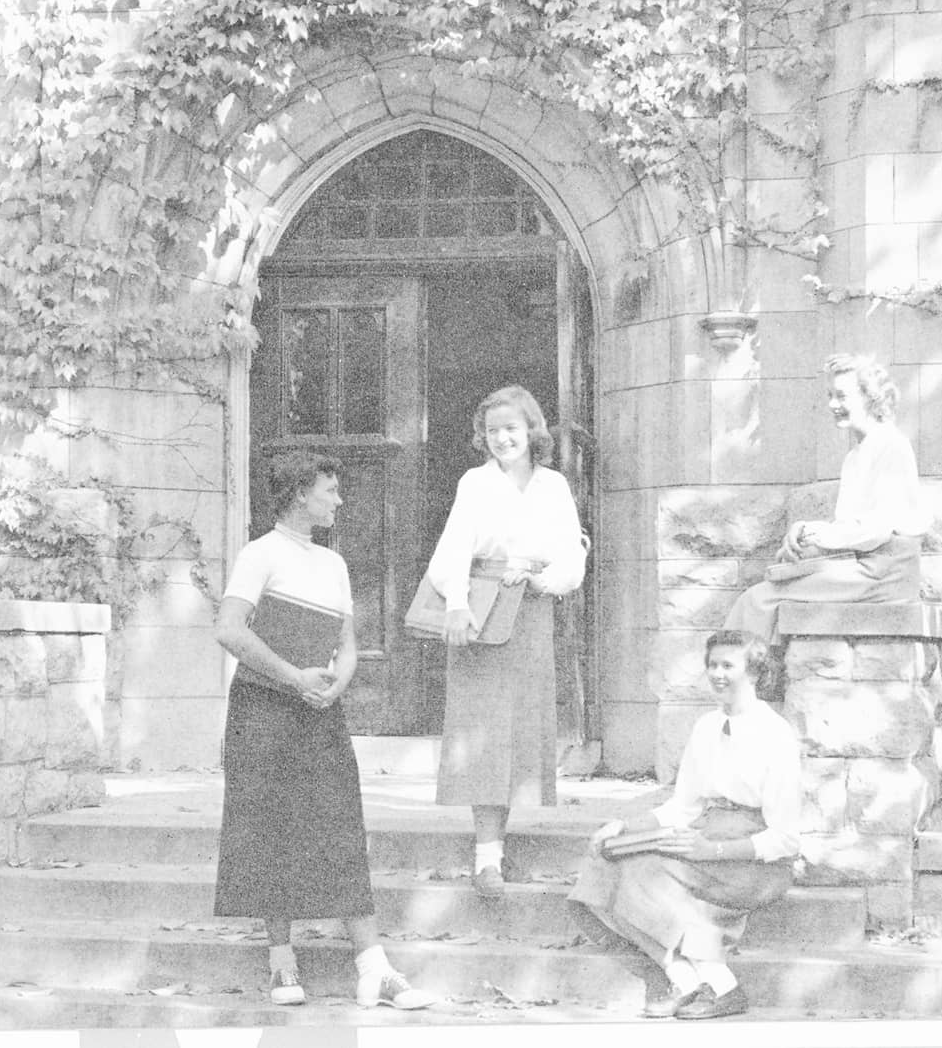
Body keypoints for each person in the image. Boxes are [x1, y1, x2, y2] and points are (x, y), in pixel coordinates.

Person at [214, 452, 434, 1010]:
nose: (338, 500)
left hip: (319, 710)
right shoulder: (259, 554)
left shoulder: (333, 564)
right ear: (298, 495)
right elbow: (229, 629)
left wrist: (339, 684)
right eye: (329, 490)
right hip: (264, 708)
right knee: (271, 825)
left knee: (340, 824)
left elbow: (349, 644)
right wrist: (291, 677)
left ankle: (373, 967)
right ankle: (281, 963)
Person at [567, 630, 800, 1021]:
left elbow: (786, 838)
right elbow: (681, 808)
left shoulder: (775, 734)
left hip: (752, 860)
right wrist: (623, 826)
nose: (718, 674)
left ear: (755, 672)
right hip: (706, 834)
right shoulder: (706, 726)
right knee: (605, 858)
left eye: (729, 665)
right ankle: (685, 981)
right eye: (713, 665)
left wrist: (714, 850)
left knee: (645, 870)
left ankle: (723, 986)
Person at [425, 384, 587, 898]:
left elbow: (570, 553)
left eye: (511, 429)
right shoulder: (474, 483)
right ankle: (485, 857)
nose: (502, 439)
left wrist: (543, 579)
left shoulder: (554, 485)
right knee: (483, 729)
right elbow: (453, 546)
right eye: (493, 431)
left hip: (532, 610)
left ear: (531, 430)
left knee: (519, 730)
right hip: (482, 609)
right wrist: (455, 603)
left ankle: (502, 841)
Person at [725, 352, 930, 643]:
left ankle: (741, 679)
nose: (833, 405)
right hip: (862, 570)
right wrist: (804, 535)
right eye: (830, 396)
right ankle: (753, 677)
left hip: (883, 578)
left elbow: (875, 530)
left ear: (870, 397)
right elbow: (850, 530)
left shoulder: (891, 446)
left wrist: (814, 533)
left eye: (842, 396)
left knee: (758, 600)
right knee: (768, 591)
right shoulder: (856, 455)